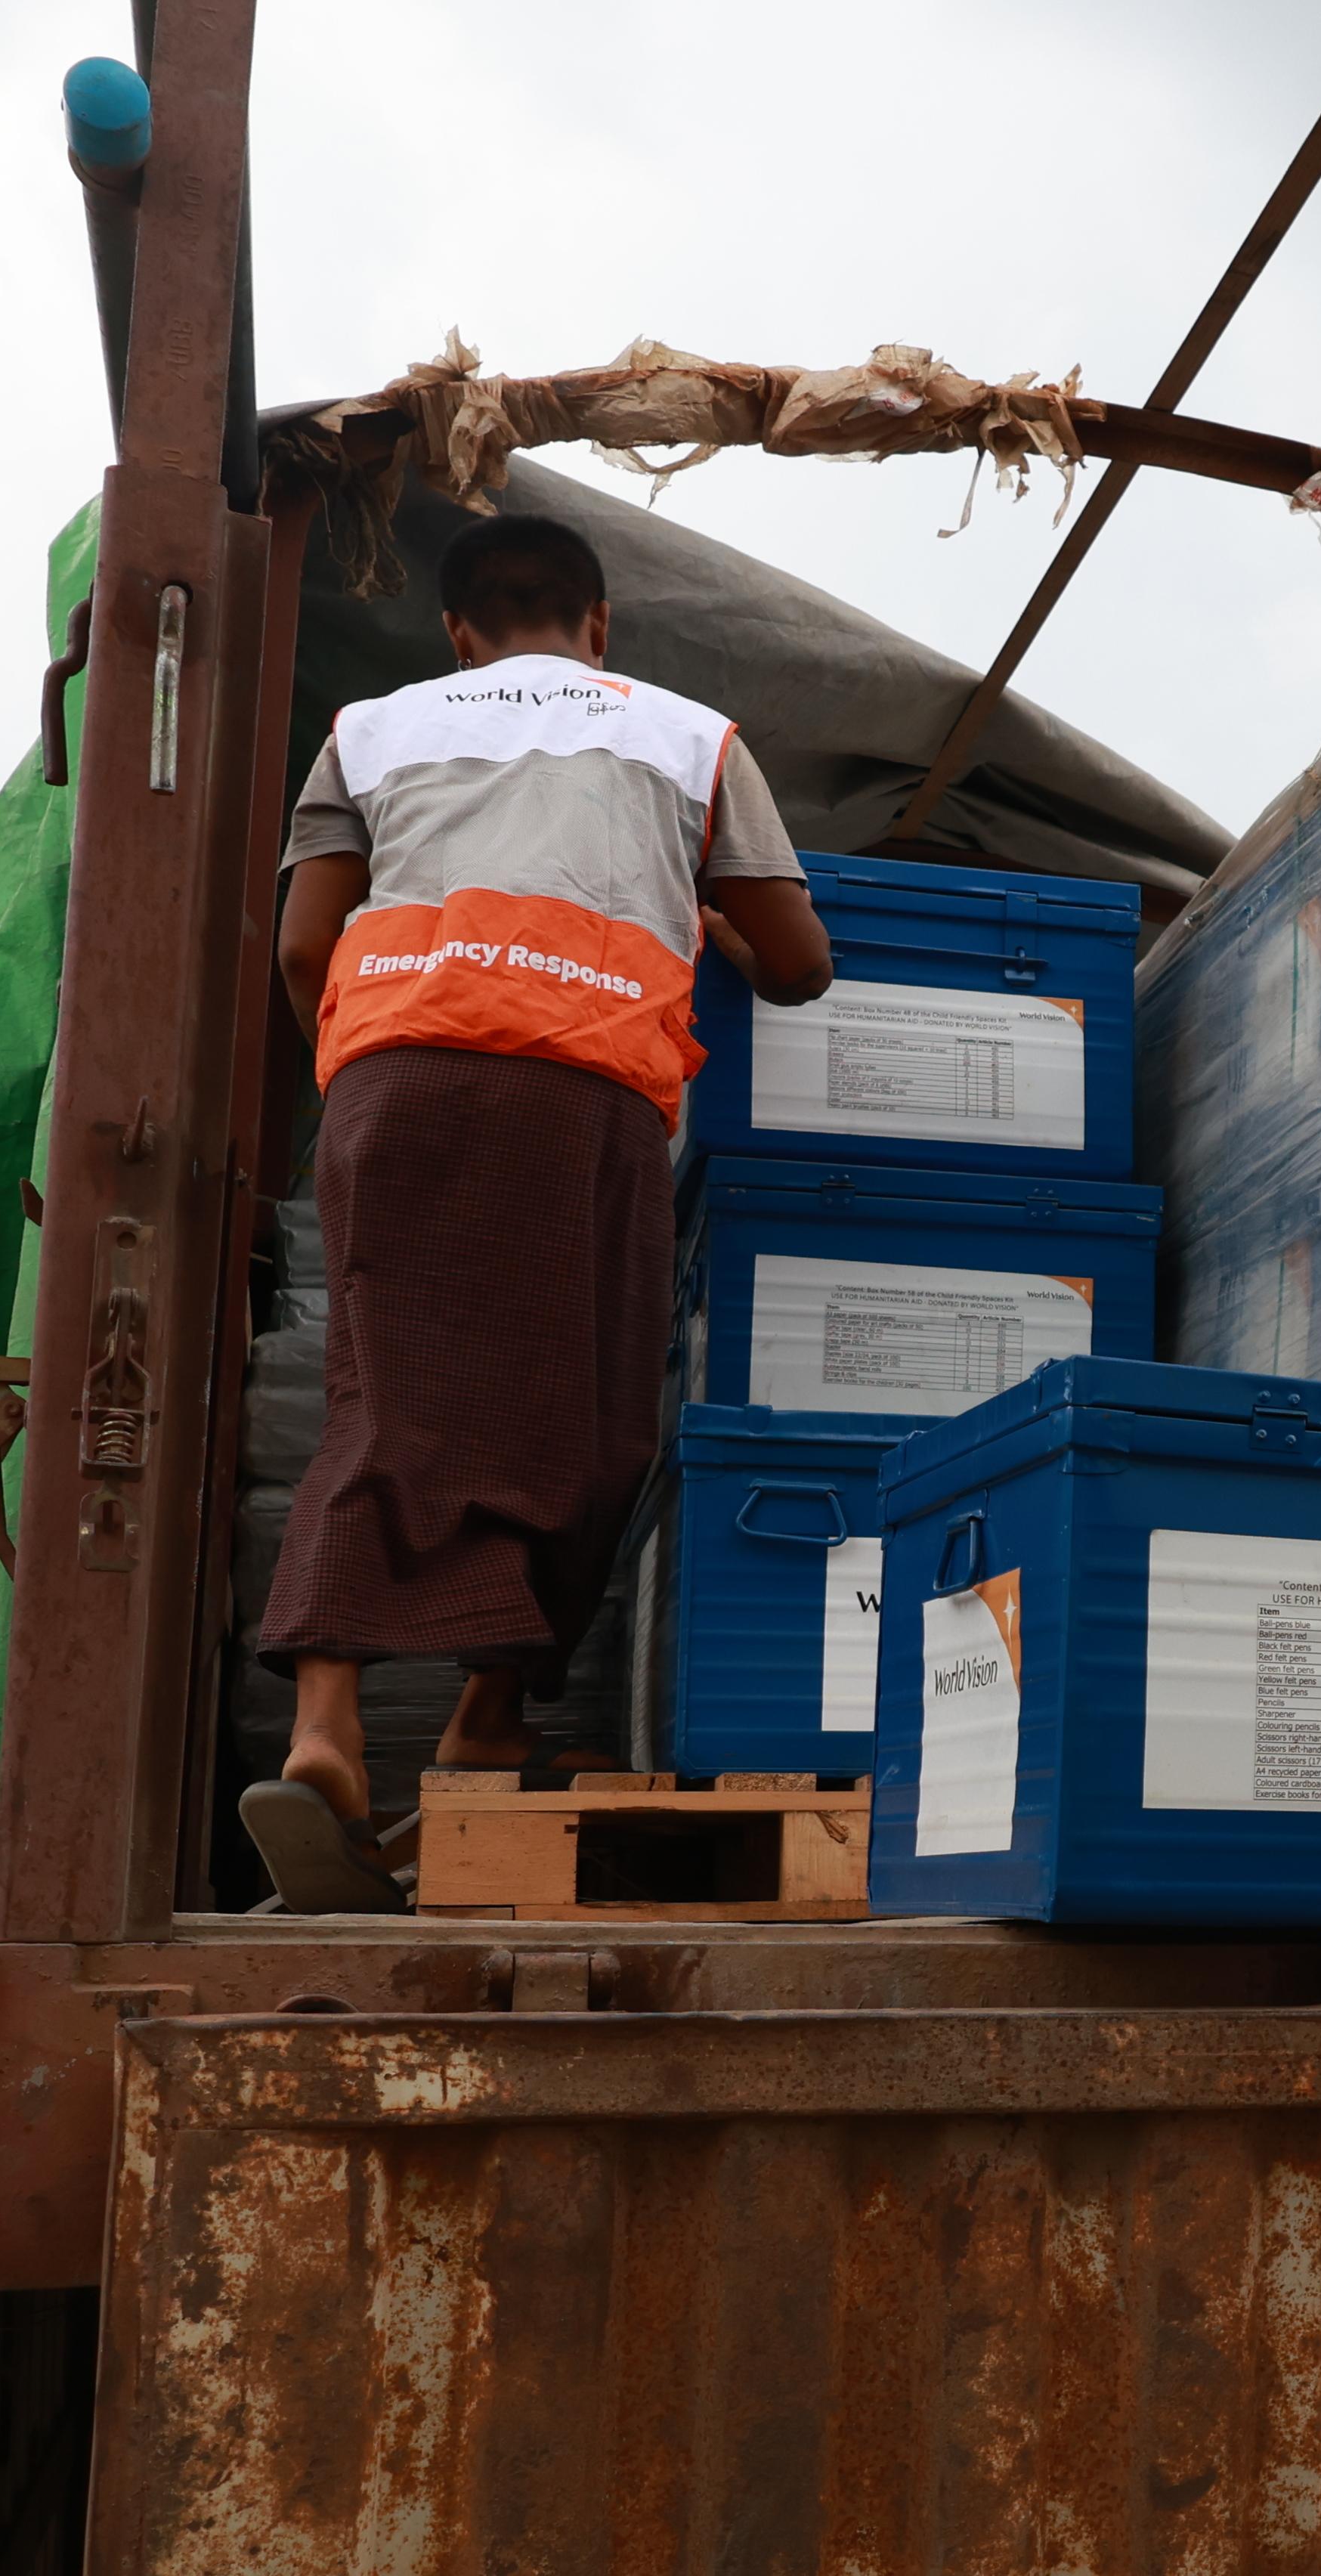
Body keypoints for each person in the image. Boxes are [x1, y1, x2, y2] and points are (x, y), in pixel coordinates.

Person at [240, 512, 836, 1911]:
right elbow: (802, 965)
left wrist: (365, 1063)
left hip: (395, 1082)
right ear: (601, 621)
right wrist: (711, 912)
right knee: (582, 1413)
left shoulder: (372, 730)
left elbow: (303, 946)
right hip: (579, 1097)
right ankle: (489, 1711)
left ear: (458, 633)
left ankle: (326, 1730)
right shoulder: (687, 739)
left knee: (382, 1396)